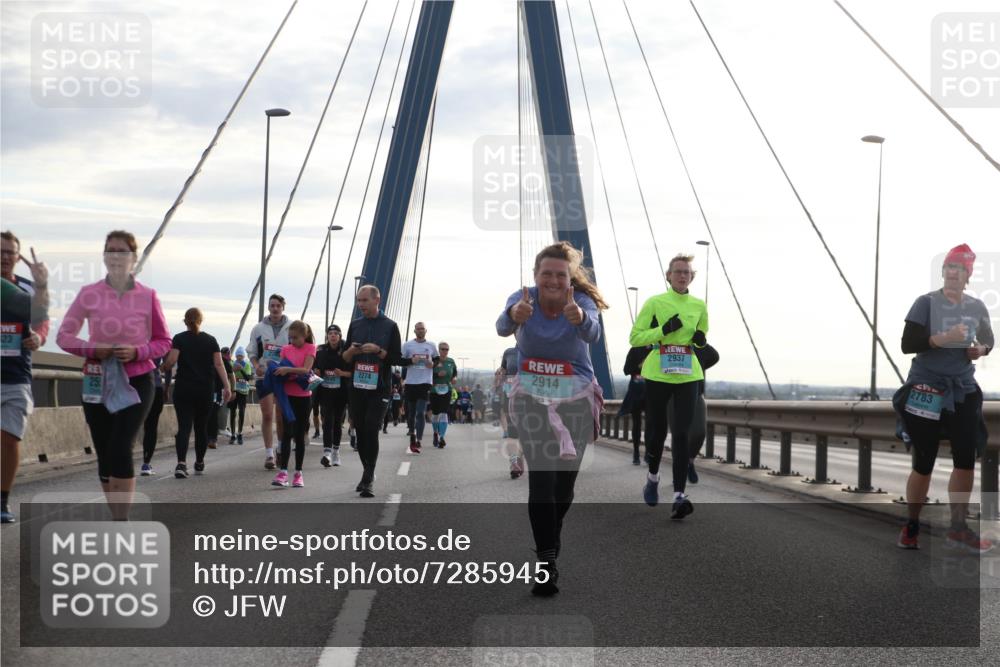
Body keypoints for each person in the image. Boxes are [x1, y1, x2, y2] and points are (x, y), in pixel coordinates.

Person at [497, 241, 606, 597]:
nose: (554, 281)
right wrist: (515, 314)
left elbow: (593, 333)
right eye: (547, 274)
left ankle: (550, 534)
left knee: (564, 487)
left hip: (575, 397)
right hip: (531, 396)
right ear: (535, 275)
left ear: (568, 277)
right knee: (542, 477)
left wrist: (581, 319)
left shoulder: (581, 301)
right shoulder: (523, 296)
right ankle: (546, 562)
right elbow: (501, 327)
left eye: (561, 275)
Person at [57, 230, 172, 520]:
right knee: (105, 450)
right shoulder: (89, 294)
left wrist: (137, 351)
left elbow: (164, 341)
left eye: (122, 252)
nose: (116, 257)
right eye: (110, 251)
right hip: (97, 379)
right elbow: (64, 336)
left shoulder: (147, 296)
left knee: (121, 446)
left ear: (133, 258)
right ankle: (115, 515)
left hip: (137, 380)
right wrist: (94, 348)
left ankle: (121, 520)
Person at [895, 244, 994, 552]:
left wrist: (981, 350)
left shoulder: (977, 307)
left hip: (962, 390)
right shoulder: (925, 303)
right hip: (926, 389)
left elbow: (989, 339)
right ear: (943, 272)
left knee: (965, 459)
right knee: (923, 461)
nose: (953, 272)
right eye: (949, 267)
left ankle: (958, 527)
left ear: (968, 275)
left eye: (960, 269)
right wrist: (944, 339)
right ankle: (911, 524)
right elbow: (907, 344)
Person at [629, 253, 708, 520]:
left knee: (682, 434)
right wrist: (663, 330)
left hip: (688, 375)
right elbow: (636, 337)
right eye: (678, 271)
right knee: (656, 432)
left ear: (692, 276)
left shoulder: (699, 305)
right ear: (669, 275)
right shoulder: (655, 302)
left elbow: (702, 339)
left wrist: (699, 341)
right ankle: (652, 478)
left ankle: (678, 495)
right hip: (659, 374)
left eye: (687, 272)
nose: (683, 275)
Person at [1, 231, 49, 523]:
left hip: (16, 374)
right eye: (1, 251)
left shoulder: (29, 289)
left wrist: (39, 339)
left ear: (18, 257)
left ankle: (2, 500)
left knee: (8, 438)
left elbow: (42, 321)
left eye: (10, 252)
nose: (5, 256)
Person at [343, 286, 403, 497]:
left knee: (371, 427)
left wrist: (378, 351)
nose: (361, 305)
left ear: (377, 300)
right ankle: (367, 472)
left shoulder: (390, 326)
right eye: (358, 301)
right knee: (360, 430)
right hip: (357, 387)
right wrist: (351, 351)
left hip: (380, 387)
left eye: (364, 300)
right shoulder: (354, 325)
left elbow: (397, 358)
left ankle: (368, 477)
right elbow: (345, 358)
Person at [161, 308, 232, 478]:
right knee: (201, 428)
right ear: (202, 320)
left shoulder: (179, 338)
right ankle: (199, 462)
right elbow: (219, 365)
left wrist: (161, 369)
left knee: (184, 427)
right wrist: (227, 387)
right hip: (204, 390)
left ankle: (181, 464)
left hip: (184, 389)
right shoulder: (211, 340)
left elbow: (171, 361)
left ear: (185, 321)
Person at [270, 320, 317, 488]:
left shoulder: (310, 348)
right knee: (287, 434)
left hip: (304, 396)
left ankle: (298, 472)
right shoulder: (285, 350)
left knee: (299, 435)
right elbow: (280, 369)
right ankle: (283, 472)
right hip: (287, 395)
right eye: (290, 338)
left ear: (304, 336)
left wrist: (288, 370)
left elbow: (306, 370)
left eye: (295, 338)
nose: (292, 341)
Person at [247, 294, 291, 470]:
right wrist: (256, 365)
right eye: (272, 305)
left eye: (278, 306)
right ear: (268, 307)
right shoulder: (258, 328)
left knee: (280, 416)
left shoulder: (291, 327)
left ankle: (280, 449)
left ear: (283, 307)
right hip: (264, 376)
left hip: (283, 376)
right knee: (267, 415)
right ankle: (269, 455)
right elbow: (252, 352)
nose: (275, 309)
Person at [314, 324, 351, 467]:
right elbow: (314, 369)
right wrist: (317, 371)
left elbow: (352, 373)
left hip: (341, 392)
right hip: (326, 391)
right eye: (330, 333)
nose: (333, 335)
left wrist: (342, 374)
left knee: (337, 423)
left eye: (336, 333)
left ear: (340, 336)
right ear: (327, 336)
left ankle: (336, 452)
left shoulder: (346, 351)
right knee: (327, 422)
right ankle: (327, 453)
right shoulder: (321, 351)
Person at [401, 322, 437, 454]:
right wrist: (411, 361)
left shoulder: (431, 345)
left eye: (422, 329)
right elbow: (401, 361)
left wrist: (431, 364)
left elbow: (437, 360)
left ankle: (419, 440)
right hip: (411, 382)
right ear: (414, 331)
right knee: (411, 413)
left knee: (420, 412)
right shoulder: (407, 345)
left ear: (426, 331)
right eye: (418, 329)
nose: (421, 331)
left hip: (425, 382)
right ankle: (412, 435)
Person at [620, 346, 651, 466]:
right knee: (637, 424)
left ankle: (648, 453)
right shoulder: (635, 350)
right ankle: (636, 453)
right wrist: (640, 366)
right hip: (636, 391)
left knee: (650, 425)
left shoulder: (656, 349)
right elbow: (626, 370)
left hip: (651, 392)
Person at [139, 357, 167, 475]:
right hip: (155, 386)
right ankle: (146, 464)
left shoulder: (131, 339)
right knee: (151, 426)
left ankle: (119, 464)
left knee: (127, 425)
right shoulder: (158, 341)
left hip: (133, 385)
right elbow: (168, 364)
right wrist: (167, 386)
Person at [498, 346, 523, 478]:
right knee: (513, 431)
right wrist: (502, 374)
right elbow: (504, 370)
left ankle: (519, 459)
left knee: (527, 432)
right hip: (511, 394)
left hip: (532, 397)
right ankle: (514, 462)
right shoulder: (509, 352)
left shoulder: (537, 348)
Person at [207, 346, 235, 450]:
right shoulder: (206, 360)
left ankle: (212, 439)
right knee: (207, 414)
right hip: (206, 391)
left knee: (213, 414)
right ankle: (207, 437)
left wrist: (233, 390)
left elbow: (232, 377)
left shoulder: (225, 362)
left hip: (218, 392)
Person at [430, 342, 457, 447]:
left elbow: (454, 373)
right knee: (436, 414)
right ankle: (435, 433)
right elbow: (426, 373)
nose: (445, 351)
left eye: (447, 349)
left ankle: (442, 437)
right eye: (443, 349)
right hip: (434, 390)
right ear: (439, 350)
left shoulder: (451, 361)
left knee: (444, 413)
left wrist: (454, 378)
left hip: (447, 389)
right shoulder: (434, 361)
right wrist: (437, 374)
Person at [229, 346, 253, 444]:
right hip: (233, 390)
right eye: (238, 355)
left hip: (243, 391)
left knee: (242, 412)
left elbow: (248, 377)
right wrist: (234, 369)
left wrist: (241, 369)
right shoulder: (232, 363)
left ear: (243, 356)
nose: (239, 357)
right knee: (232, 412)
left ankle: (240, 433)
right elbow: (228, 374)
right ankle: (233, 434)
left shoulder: (246, 365)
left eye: (241, 356)